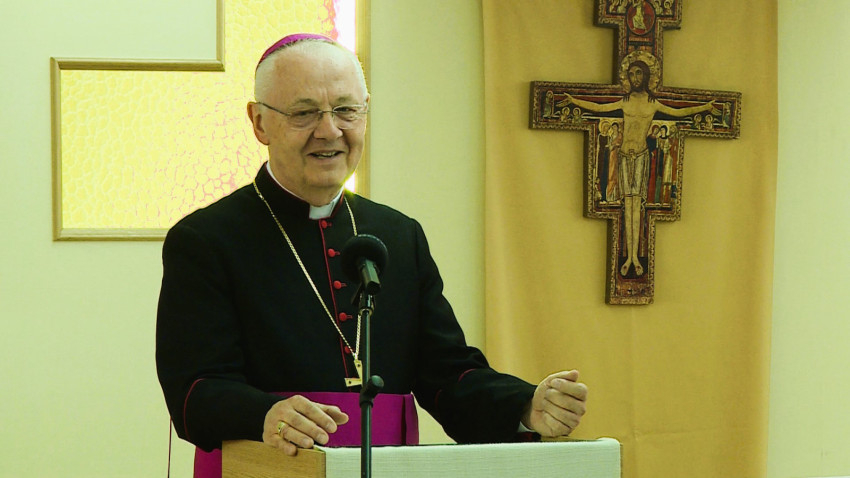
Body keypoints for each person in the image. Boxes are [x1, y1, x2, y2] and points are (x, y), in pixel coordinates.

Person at [156, 33, 588, 477]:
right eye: (304, 113)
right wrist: (264, 414)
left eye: (346, 110)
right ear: (259, 122)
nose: (330, 131)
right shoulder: (206, 240)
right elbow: (194, 389)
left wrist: (523, 405)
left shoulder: (397, 235)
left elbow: (447, 374)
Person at [559, 57, 714, 277]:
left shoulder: (653, 103)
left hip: (641, 156)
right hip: (624, 156)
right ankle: (629, 257)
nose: (635, 78)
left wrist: (705, 107)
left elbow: (678, 111)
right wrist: (574, 101)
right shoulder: (625, 101)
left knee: (637, 208)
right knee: (627, 206)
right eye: (631, 74)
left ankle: (634, 257)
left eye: (639, 73)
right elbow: (599, 107)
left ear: (647, 76)